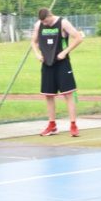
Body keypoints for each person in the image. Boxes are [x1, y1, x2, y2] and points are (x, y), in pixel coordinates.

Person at [31, 8, 83, 137]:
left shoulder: (63, 23)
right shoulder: (39, 25)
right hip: (47, 64)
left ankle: (73, 125)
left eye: (47, 21)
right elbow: (33, 41)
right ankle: (52, 125)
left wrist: (65, 52)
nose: (46, 24)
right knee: (49, 95)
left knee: (68, 94)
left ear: (50, 15)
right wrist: (37, 54)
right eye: (43, 22)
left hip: (62, 63)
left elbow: (78, 38)